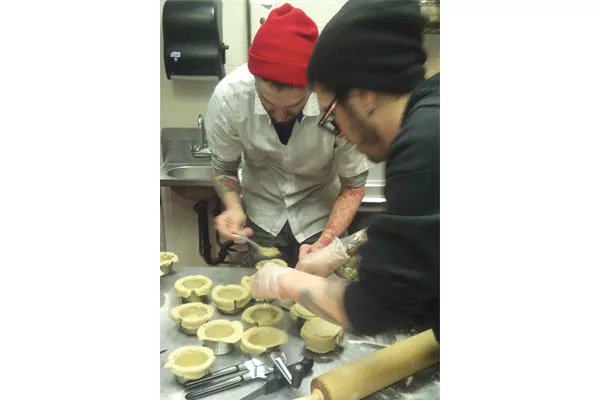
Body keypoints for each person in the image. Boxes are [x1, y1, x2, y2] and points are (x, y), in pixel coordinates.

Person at [251, 0, 441, 342]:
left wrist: (287, 282)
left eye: (330, 117)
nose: (341, 135)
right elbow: (422, 231)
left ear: (364, 96)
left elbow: (373, 309)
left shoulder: (424, 146)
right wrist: (340, 249)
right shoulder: (435, 109)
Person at [206, 3, 372, 269]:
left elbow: (353, 185)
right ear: (255, 82)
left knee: (316, 290)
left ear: (312, 89)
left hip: (322, 217)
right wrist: (233, 207)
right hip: (263, 217)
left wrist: (327, 241)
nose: (281, 116)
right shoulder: (230, 98)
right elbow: (224, 168)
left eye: (293, 108)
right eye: (270, 107)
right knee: (261, 290)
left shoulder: (335, 103)